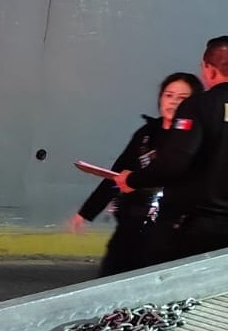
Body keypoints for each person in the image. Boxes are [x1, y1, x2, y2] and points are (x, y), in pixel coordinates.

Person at [70, 72, 203, 276]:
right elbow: (116, 174)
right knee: (113, 273)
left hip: (169, 226)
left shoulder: (192, 137)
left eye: (182, 98)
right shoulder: (147, 133)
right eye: (169, 95)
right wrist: (87, 212)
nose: (173, 102)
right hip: (131, 221)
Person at [114, 36, 228, 263]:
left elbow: (174, 163)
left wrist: (133, 180)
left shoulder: (198, 106)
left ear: (208, 69)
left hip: (195, 226)